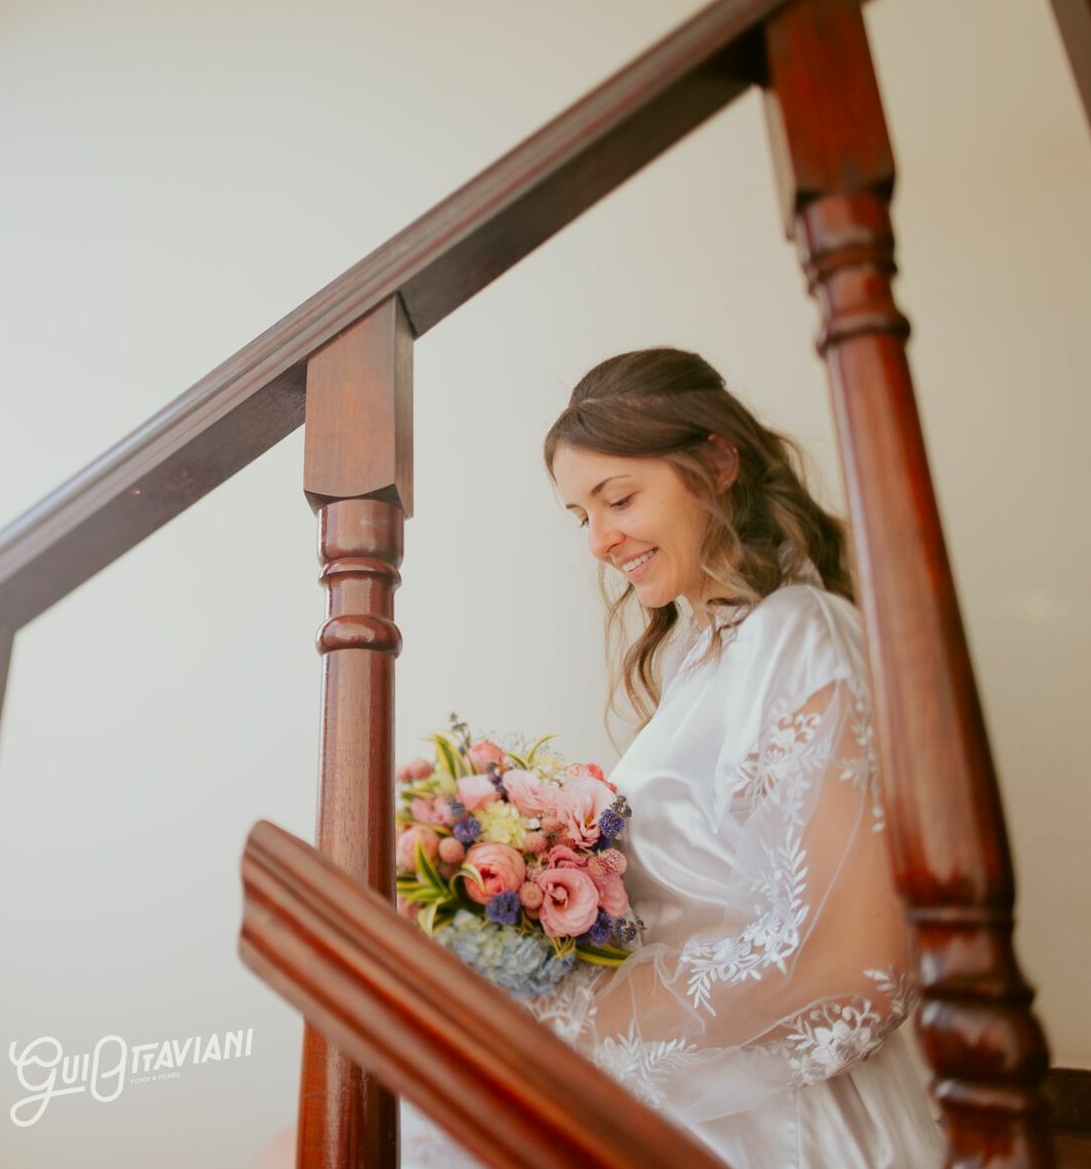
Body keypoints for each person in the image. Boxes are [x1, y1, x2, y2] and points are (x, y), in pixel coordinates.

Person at [257, 348, 946, 1168]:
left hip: (762, 1107)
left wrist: (575, 1016)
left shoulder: (797, 633)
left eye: (619, 499)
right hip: (681, 1060)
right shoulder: (703, 657)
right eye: (581, 514)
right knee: (352, 1115)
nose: (599, 539)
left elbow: (860, 965)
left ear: (718, 461)